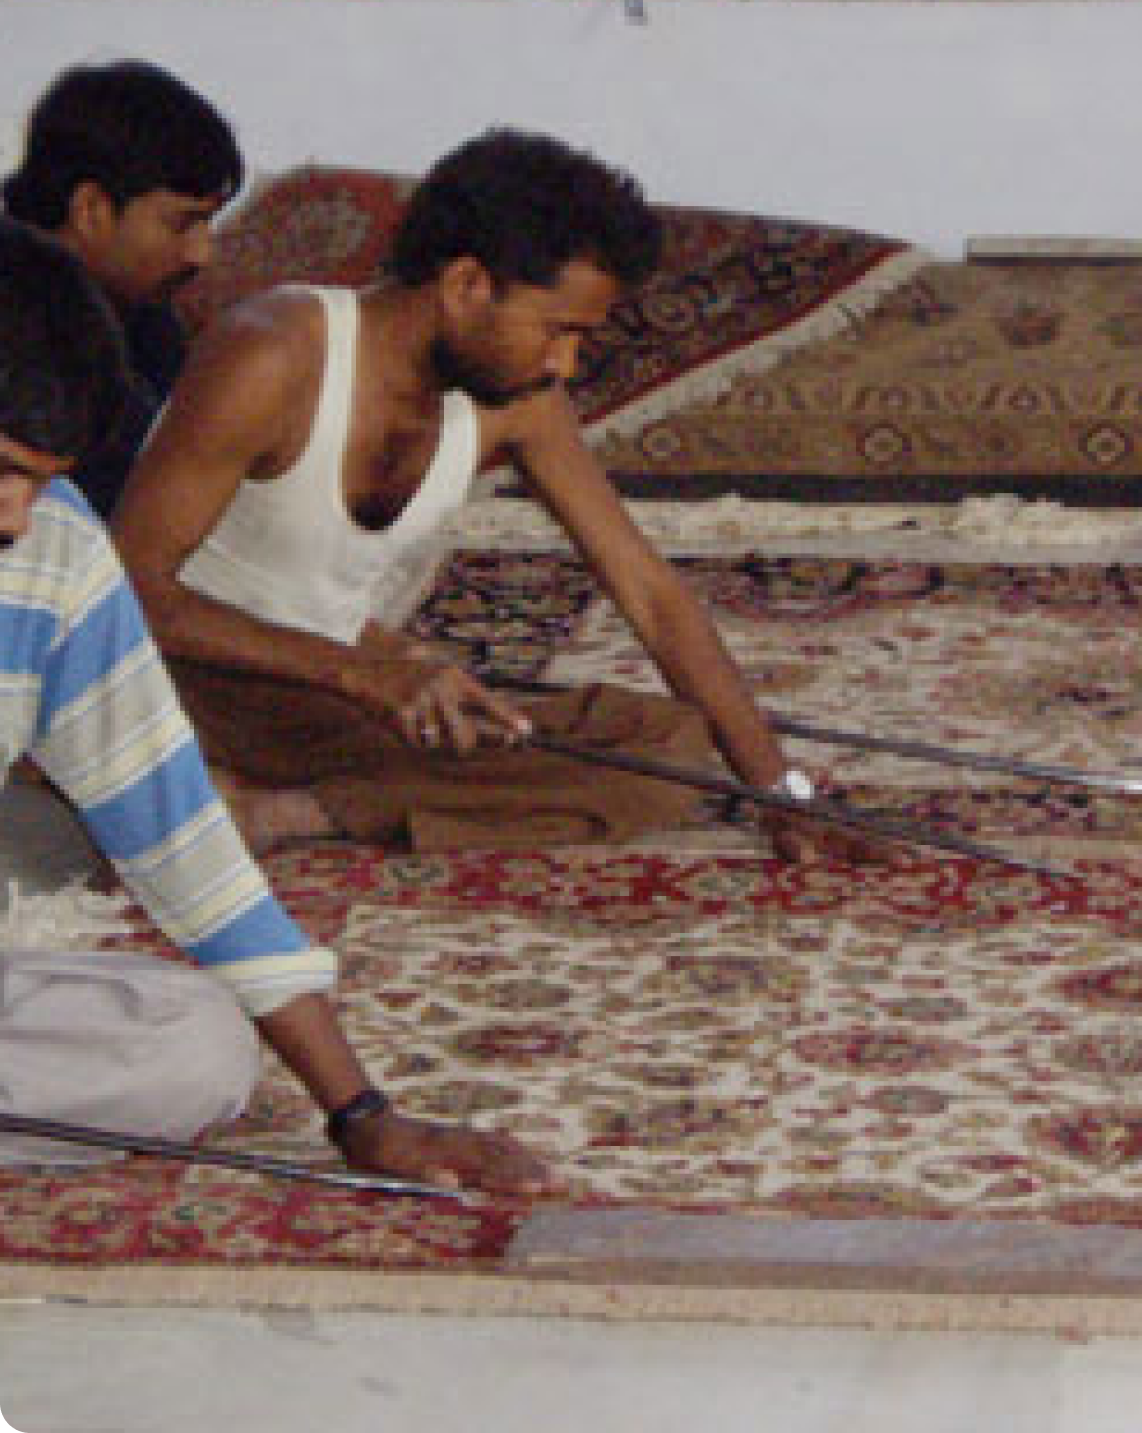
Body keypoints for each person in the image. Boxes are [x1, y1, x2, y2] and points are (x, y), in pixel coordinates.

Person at [114, 128, 875, 863]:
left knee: (671, 746)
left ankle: (285, 811)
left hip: (322, 695)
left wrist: (778, 791)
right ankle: (251, 790)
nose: (565, 363)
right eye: (557, 330)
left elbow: (649, 593)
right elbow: (129, 591)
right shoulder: (275, 351)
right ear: (467, 285)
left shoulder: (518, 400)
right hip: (178, 682)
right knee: (554, 746)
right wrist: (365, 672)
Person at [0, 214, 550, 1196]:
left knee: (193, 1045)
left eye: (39, 483)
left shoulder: (55, 550)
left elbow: (179, 837)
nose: (15, 515)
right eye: (2, 471)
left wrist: (363, 1115)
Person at [3, 59, 242, 518]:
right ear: (91, 209)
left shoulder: (144, 315)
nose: (202, 255)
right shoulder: (23, 322)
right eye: (183, 224)